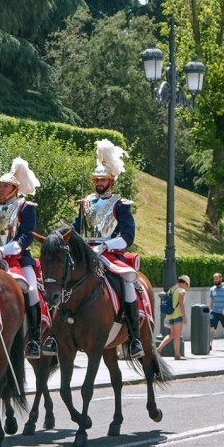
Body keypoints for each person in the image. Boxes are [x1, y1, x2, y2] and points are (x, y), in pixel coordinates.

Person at [73, 139, 144, 359]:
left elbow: (127, 237)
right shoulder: (85, 202)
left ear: (111, 180)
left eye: (102, 179)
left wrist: (104, 245)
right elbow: (77, 229)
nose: (99, 182)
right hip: (85, 253)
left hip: (110, 254)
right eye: (96, 179)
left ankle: (134, 337)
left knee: (128, 281)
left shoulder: (120, 204)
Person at [0, 157, 56, 359]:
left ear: (15, 189)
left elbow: (26, 236)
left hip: (18, 258)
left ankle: (35, 338)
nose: (1, 189)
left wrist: (5, 250)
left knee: (33, 290)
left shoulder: (26, 207)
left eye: (5, 186)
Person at [156, 275, 190, 360]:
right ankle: (177, 355)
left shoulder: (171, 289)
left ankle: (158, 349)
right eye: (187, 285)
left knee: (172, 335)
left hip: (170, 315)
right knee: (177, 336)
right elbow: (181, 304)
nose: (186, 287)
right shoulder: (181, 291)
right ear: (185, 283)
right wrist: (184, 316)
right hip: (178, 315)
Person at [208, 273, 224, 351]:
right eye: (214, 279)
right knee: (211, 327)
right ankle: (209, 344)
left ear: (221, 278)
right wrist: (210, 309)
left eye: (217, 278)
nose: (215, 280)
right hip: (214, 312)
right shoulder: (212, 289)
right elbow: (212, 300)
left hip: (223, 312)